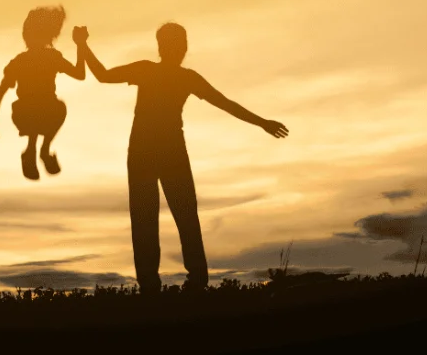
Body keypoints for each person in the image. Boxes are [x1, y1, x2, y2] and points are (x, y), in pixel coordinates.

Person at [75, 23, 288, 294]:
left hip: (161, 151)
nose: (180, 49)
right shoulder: (159, 72)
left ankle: (183, 282)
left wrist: (262, 122)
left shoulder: (174, 75)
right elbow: (103, 75)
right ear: (167, 47)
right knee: (155, 217)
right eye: (177, 44)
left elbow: (225, 103)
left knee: (172, 216)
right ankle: (163, 284)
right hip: (152, 152)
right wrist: (82, 46)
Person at [0, 5, 85, 180]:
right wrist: (81, 45)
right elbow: (80, 74)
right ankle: (38, 149)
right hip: (31, 113)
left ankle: (36, 149)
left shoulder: (24, 61)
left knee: (48, 106)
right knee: (48, 106)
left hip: (31, 113)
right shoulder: (48, 58)